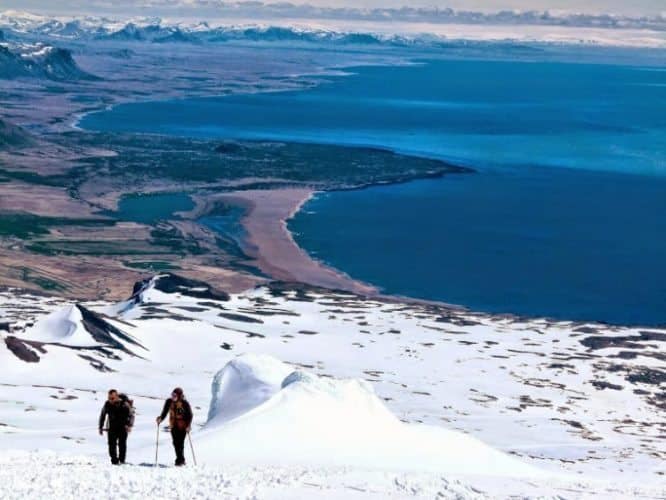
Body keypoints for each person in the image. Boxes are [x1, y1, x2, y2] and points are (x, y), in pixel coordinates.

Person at [156, 387, 193, 466]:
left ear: (179, 396)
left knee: (180, 443)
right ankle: (180, 460)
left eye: (175, 395)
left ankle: (180, 460)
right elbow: (165, 412)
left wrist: (188, 425)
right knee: (175, 443)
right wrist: (160, 418)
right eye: (172, 395)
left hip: (183, 426)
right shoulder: (169, 402)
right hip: (173, 425)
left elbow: (190, 415)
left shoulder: (184, 403)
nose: (173, 397)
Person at [98, 389, 133, 465]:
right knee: (111, 445)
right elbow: (102, 415)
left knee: (122, 445)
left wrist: (129, 425)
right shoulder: (107, 404)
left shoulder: (124, 404)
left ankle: (122, 461)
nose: (111, 400)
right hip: (112, 427)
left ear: (117, 397)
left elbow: (131, 415)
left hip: (123, 427)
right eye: (109, 398)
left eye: (112, 398)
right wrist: (100, 427)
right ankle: (114, 461)